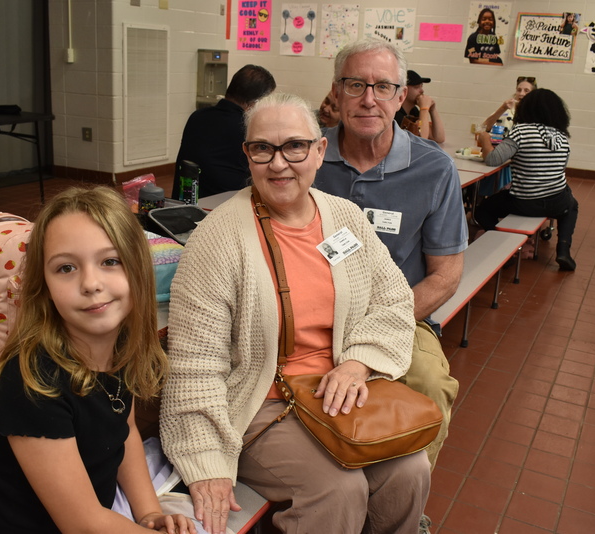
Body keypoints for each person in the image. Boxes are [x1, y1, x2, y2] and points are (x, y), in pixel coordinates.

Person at [160, 92, 431, 534]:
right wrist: (205, 457)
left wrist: (359, 363)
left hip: (338, 392)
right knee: (339, 490)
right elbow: (195, 363)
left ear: (320, 151)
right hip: (261, 402)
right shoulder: (217, 239)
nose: (279, 163)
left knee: (411, 470)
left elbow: (394, 299)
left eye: (295, 147)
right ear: (247, 155)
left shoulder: (345, 218)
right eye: (262, 148)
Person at [0, 186, 196, 534]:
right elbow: (82, 524)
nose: (91, 283)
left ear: (138, 269)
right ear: (43, 285)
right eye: (66, 268)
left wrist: (149, 514)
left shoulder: (118, 341)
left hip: (102, 512)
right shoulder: (32, 384)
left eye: (110, 261)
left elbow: (123, 430)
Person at [314, 37, 465, 477]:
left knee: (431, 384)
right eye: (355, 84)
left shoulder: (433, 168)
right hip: (312, 309)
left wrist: (372, 333)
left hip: (400, 314)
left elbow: (445, 277)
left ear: (402, 97)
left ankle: (407, 501)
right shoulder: (308, 154)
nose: (368, 99)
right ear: (337, 92)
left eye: (382, 87)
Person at [475, 88, 579, 271]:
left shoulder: (521, 131)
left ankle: (504, 250)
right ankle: (563, 251)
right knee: (571, 206)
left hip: (524, 202)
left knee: (482, 211)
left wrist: (485, 139)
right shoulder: (562, 137)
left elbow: (493, 160)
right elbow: (560, 169)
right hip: (557, 201)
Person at [172, 65, 276, 199]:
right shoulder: (247, 127)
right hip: (225, 205)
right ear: (255, 103)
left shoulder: (197, 117)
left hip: (185, 202)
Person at [477, 76, 537, 196]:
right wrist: (502, 108)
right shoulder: (507, 110)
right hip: (498, 154)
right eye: (519, 90)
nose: (521, 94)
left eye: (526, 91)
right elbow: (484, 128)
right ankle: (479, 201)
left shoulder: (535, 114)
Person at [393, 70, 446, 143]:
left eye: (421, 86)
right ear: (404, 90)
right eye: (417, 87)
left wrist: (432, 110)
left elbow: (439, 138)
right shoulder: (396, 113)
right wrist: (424, 109)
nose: (422, 91)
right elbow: (420, 140)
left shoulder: (413, 110)